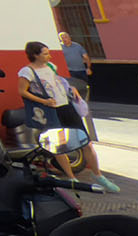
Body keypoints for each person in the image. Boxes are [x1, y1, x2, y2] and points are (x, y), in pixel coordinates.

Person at [17, 40, 118, 192]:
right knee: (59, 145)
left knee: (85, 141)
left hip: (66, 106)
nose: (49, 56)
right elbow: (22, 91)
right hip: (51, 110)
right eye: (45, 54)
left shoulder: (51, 67)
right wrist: (43, 101)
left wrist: (70, 89)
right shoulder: (27, 72)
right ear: (35, 55)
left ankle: (97, 174)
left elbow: (57, 81)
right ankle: (71, 178)